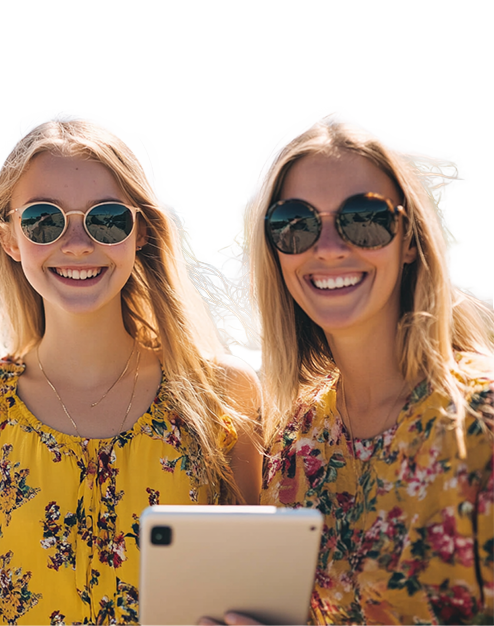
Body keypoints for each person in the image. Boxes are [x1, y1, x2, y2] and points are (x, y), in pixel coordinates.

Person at [0, 111, 262, 626]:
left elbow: (257, 596)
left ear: (140, 234)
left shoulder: (221, 393)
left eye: (106, 218)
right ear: (9, 239)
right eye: (43, 220)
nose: (76, 244)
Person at [204, 107, 494, 625]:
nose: (330, 248)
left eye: (365, 218)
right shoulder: (295, 443)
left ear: (408, 239)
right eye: (295, 225)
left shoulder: (482, 423)